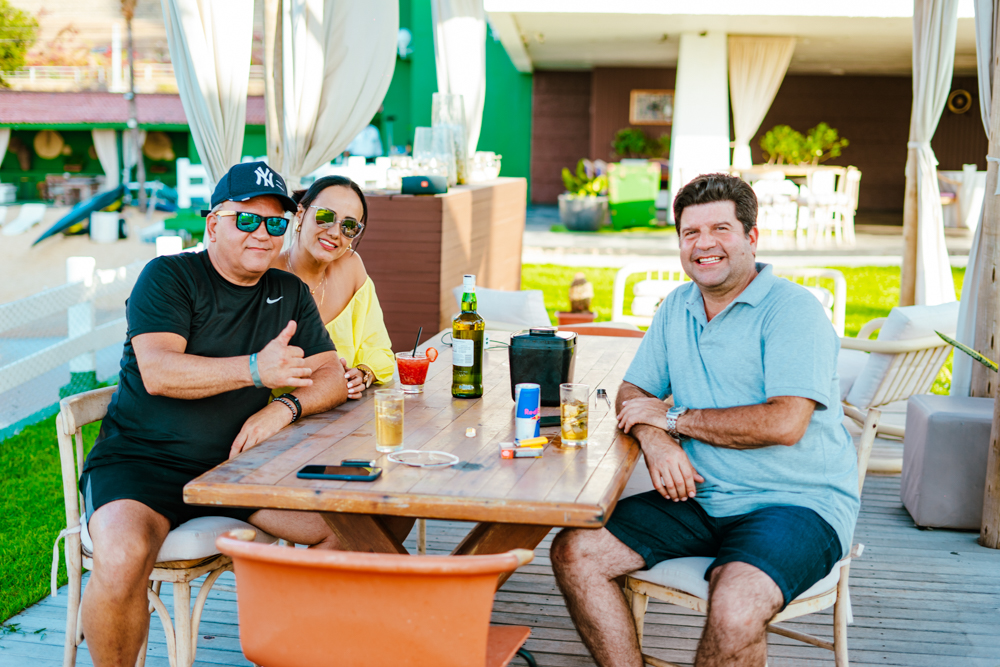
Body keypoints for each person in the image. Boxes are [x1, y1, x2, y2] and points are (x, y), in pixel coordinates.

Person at [77, 162, 397, 667]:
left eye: (275, 223)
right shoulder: (170, 276)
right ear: (213, 223)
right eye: (246, 219)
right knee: (121, 558)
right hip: (141, 466)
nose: (262, 233)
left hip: (238, 471)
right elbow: (159, 371)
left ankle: (284, 647)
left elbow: (332, 373)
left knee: (362, 529)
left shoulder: (287, 291)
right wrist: (255, 370)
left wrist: (284, 409)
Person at [550, 173, 859, 667]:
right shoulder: (678, 306)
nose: (704, 244)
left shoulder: (793, 311)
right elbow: (635, 391)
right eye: (690, 233)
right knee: (576, 552)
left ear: (751, 238)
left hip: (796, 503)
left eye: (720, 229)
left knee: (736, 606)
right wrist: (657, 441)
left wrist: (674, 420)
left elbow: (785, 423)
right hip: (699, 494)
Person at [272, 175, 394, 400]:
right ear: (300, 213)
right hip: (278, 418)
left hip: (343, 416)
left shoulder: (351, 266)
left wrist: (364, 373)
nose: (335, 233)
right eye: (325, 216)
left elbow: (379, 348)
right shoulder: (269, 273)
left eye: (349, 226)